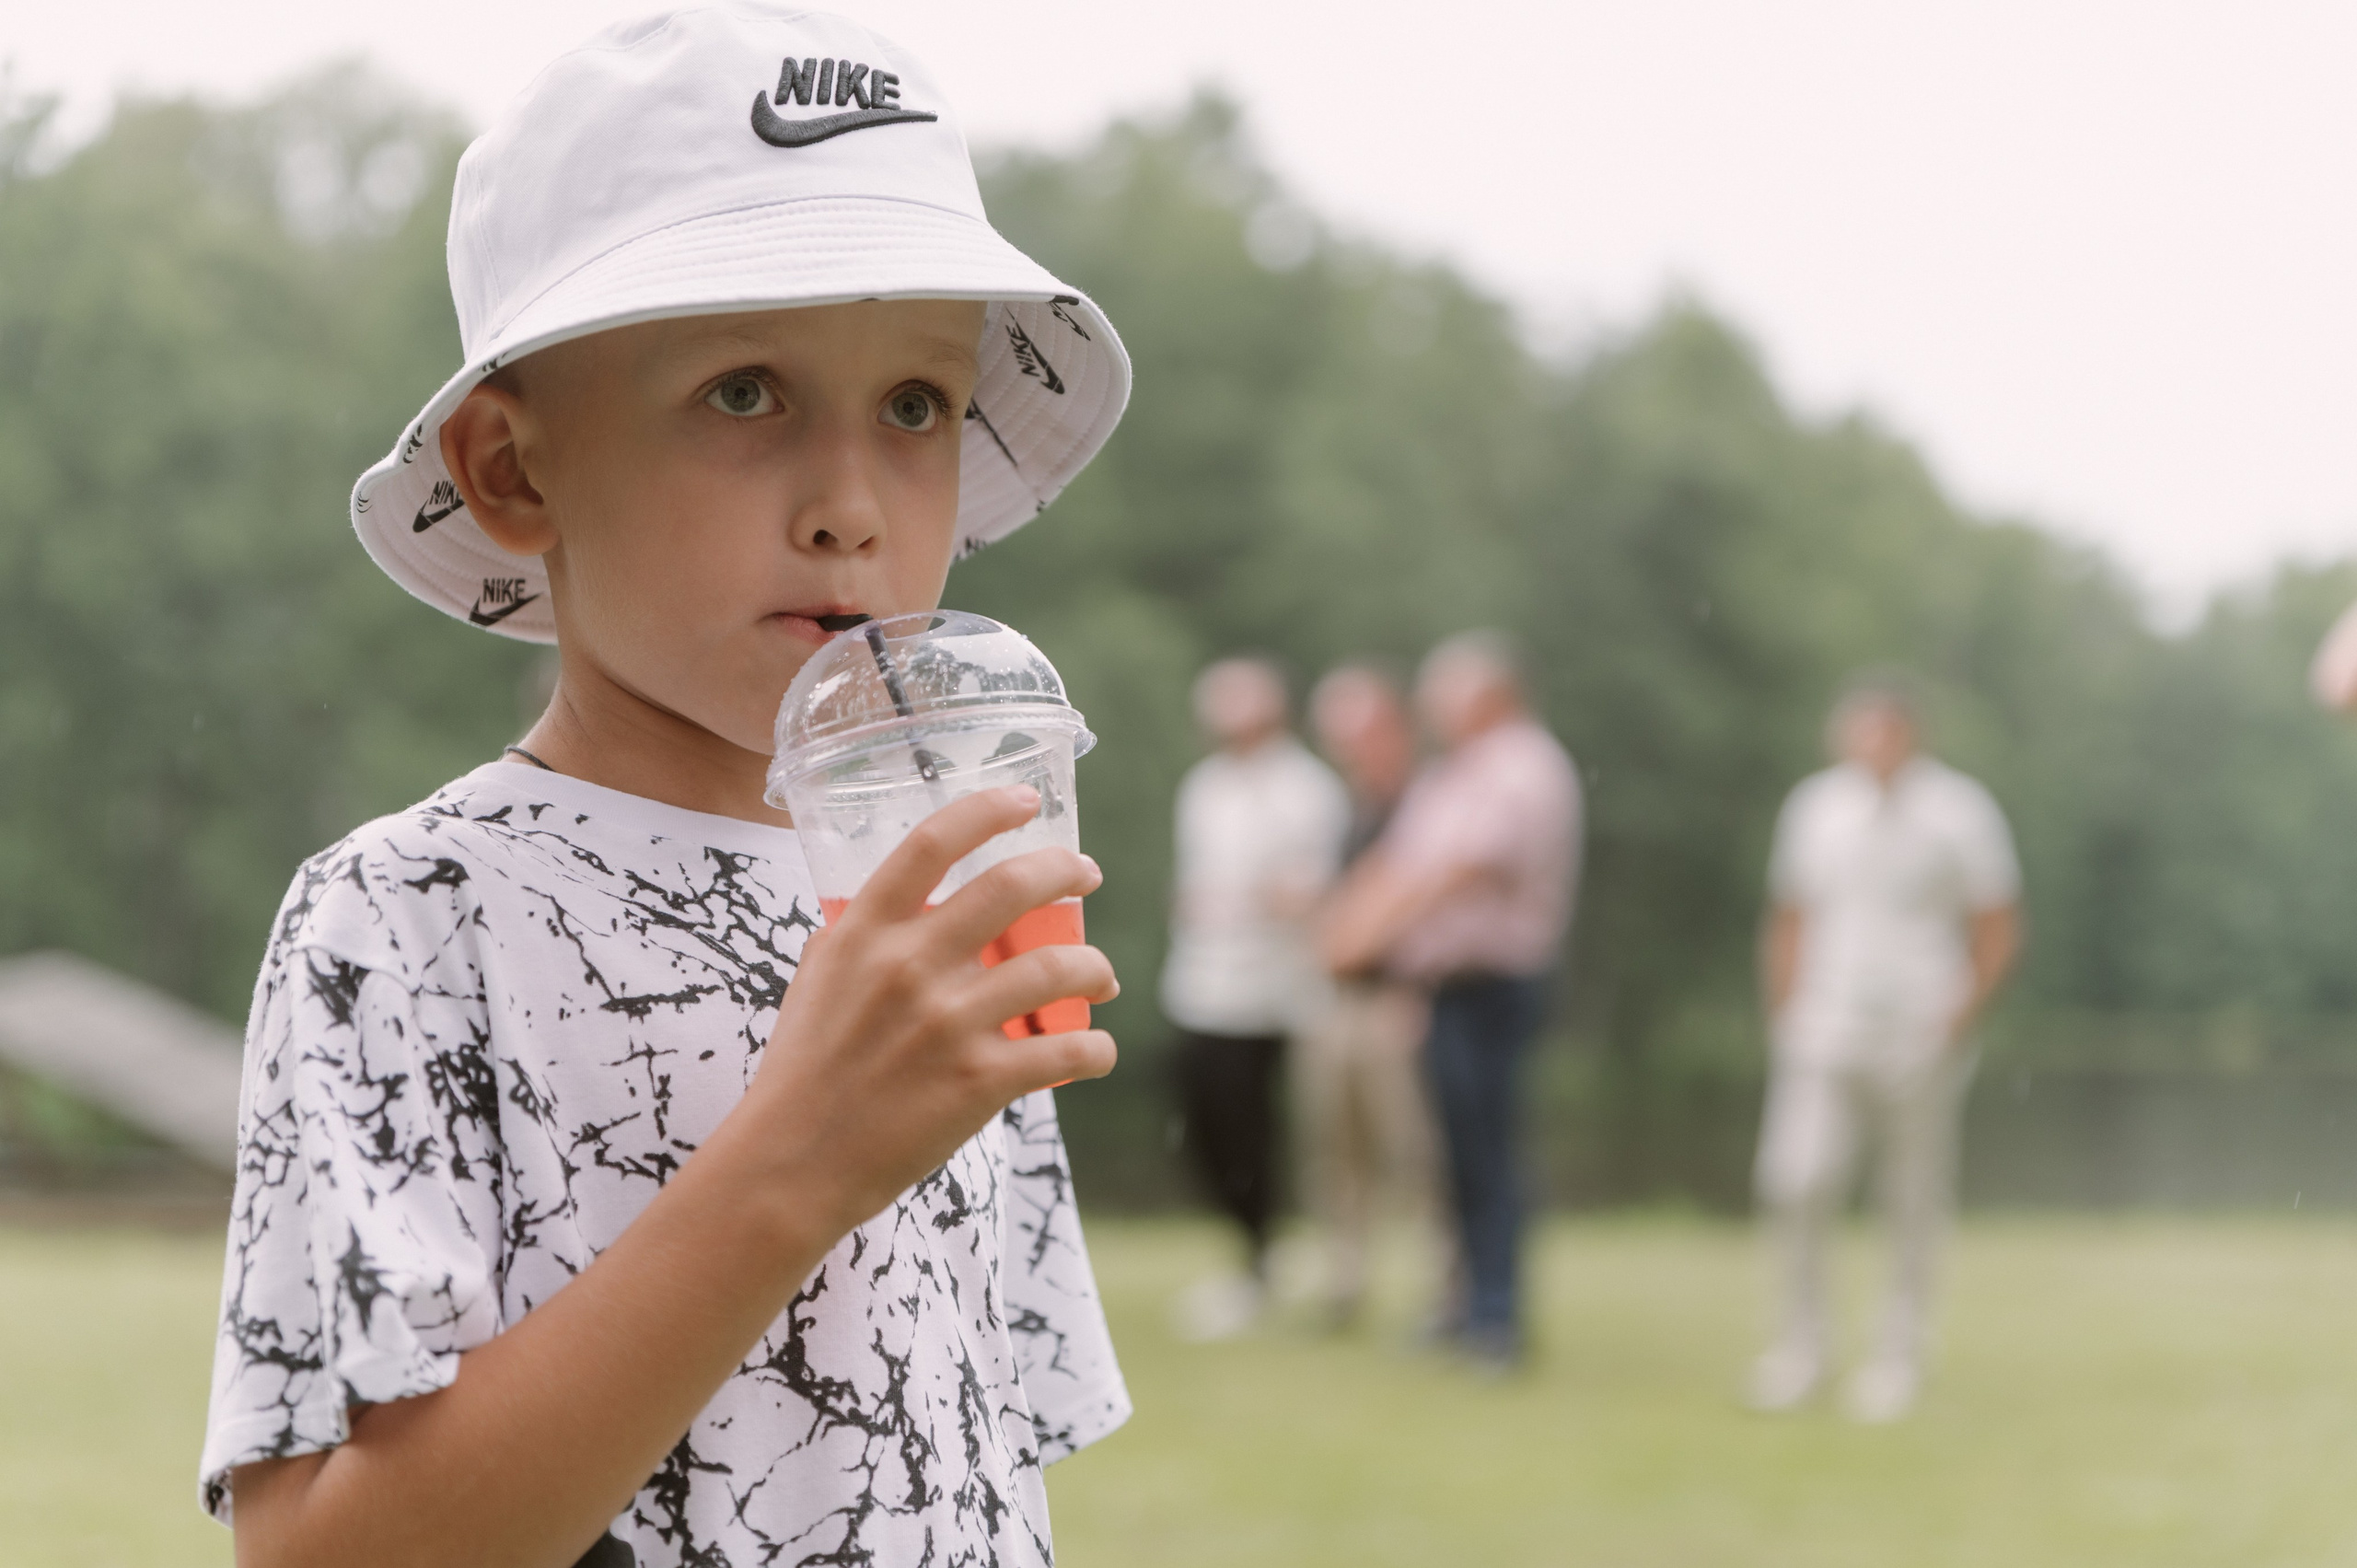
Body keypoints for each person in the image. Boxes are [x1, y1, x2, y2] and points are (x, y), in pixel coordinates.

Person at [200, 11, 1134, 1565]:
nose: (849, 503)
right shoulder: (407, 920)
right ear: (513, 470)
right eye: (746, 391)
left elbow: (972, 1480)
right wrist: (799, 1161)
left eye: (915, 404)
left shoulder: (942, 894)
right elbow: (321, 1550)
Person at [1747, 674, 2022, 1423]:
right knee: (1797, 1181)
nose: (1870, 744)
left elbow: (1998, 927)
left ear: (1910, 733)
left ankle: (1897, 1357)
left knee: (1911, 1199)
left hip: (1919, 1029)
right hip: (1822, 1026)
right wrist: (1786, 1012)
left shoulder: (1960, 811)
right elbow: (1790, 915)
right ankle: (1800, 1350)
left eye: (1884, 730)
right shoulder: (1814, 806)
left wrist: (1953, 1019)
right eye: (1858, 730)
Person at [1325, 632, 1582, 1370]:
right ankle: (1466, 1304)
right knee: (1460, 1155)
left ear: (1487, 693)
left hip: (1495, 986)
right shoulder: (1454, 775)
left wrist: (1361, 934)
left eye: (1444, 690)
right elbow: (1399, 861)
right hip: (1445, 989)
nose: (1431, 705)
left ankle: (1499, 1316)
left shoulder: (1524, 766)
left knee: (1492, 1151)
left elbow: (1456, 868)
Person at [1162, 657, 1350, 1340]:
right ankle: (1258, 1245)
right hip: (1200, 982)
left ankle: (1269, 1257)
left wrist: (1250, 902)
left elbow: (1311, 889)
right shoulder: (1205, 787)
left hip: (1276, 990)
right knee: (1205, 1122)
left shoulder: (1305, 788)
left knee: (1259, 1130)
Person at [1298, 664, 1441, 1328]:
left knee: (1413, 1150)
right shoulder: (1351, 809)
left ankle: (1442, 1285)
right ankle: (1346, 1281)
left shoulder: (1429, 804)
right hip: (1340, 1001)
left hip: (1399, 1000)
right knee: (1338, 1150)